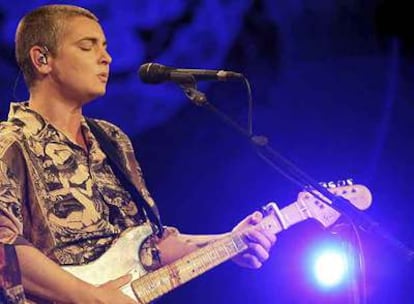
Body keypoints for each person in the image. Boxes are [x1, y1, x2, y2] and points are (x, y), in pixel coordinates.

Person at [0, 4, 276, 303]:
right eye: (87, 47)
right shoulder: (11, 143)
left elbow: (150, 248)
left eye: (105, 47)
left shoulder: (113, 141)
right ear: (42, 59)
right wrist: (93, 298)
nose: (106, 58)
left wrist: (229, 242)